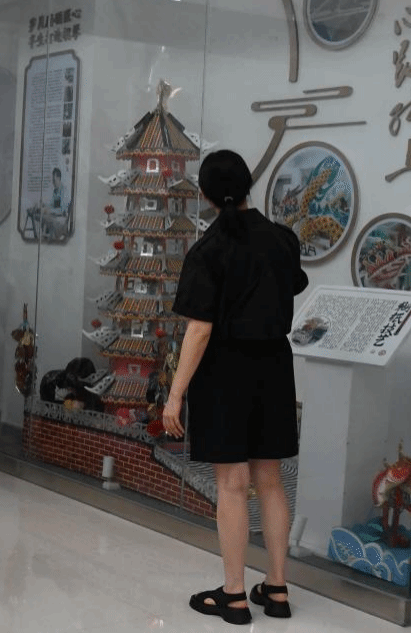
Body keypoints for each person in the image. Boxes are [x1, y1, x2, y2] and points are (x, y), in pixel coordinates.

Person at [164, 149, 308, 625]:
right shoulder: (282, 239)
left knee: (232, 484)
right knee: (271, 481)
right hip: (274, 367)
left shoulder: (208, 250)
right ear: (248, 186)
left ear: (206, 195)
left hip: (225, 370)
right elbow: (290, 286)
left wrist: (175, 394)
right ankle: (278, 589)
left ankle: (234, 595)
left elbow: (199, 330)